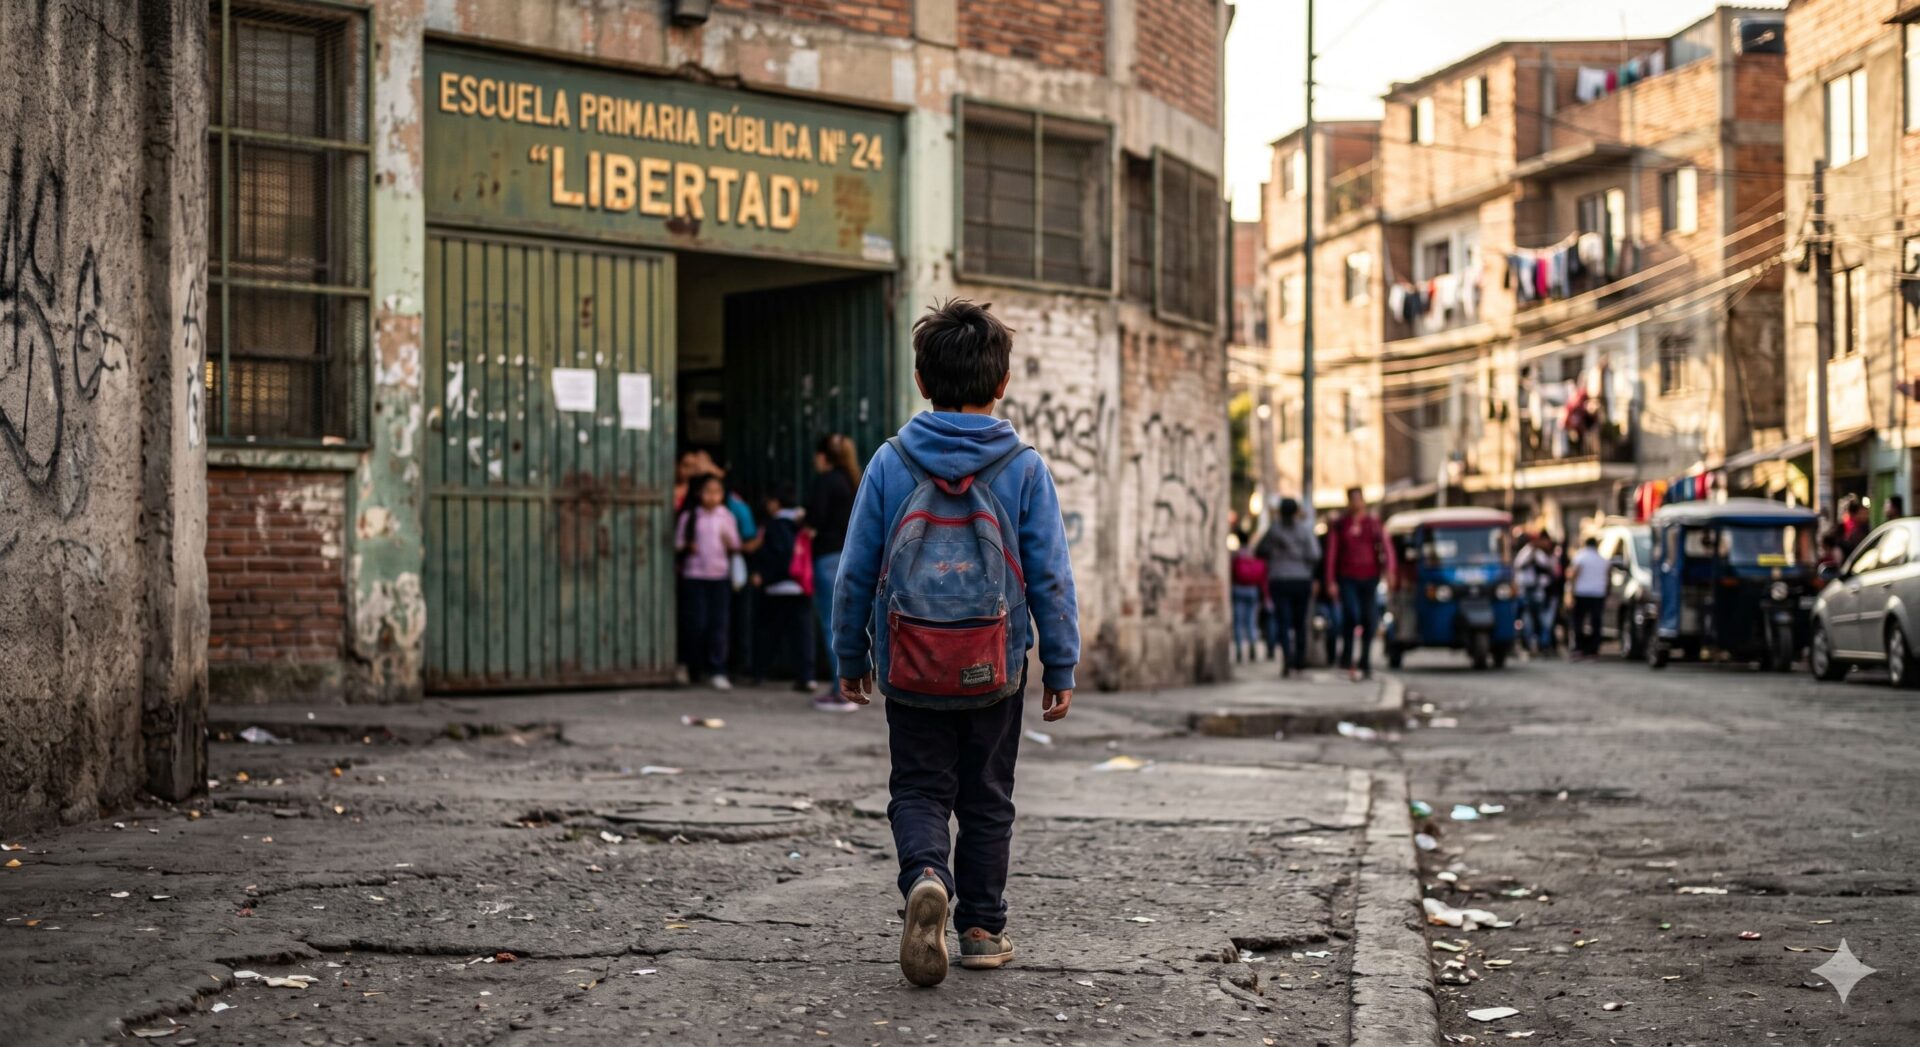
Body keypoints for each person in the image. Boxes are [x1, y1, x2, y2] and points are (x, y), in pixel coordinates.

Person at [831, 298, 1079, 987]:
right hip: (993, 665)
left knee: (918, 786)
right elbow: (1052, 573)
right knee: (988, 795)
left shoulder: (889, 461)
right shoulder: (1023, 466)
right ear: (1001, 383)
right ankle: (980, 927)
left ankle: (926, 876)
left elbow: (855, 570)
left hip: (910, 664)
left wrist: (851, 657)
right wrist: (1060, 660)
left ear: (920, 379)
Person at [806, 433, 861, 712]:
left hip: (827, 557)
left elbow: (813, 521)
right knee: (846, 623)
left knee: (831, 625)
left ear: (823, 456)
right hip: (849, 558)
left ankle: (843, 692)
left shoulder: (826, 482)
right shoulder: (853, 481)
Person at [676, 473, 741, 690]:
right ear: (699, 494)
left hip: (719, 577)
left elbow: (735, 544)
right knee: (695, 623)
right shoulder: (690, 517)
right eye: (708, 492)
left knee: (718, 625)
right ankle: (691, 667)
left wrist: (728, 541)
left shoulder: (726, 517)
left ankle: (717, 670)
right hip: (694, 576)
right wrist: (687, 545)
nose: (712, 497)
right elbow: (677, 544)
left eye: (717, 493)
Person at [750, 482, 815, 692]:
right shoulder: (801, 524)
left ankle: (759, 672)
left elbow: (780, 556)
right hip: (800, 587)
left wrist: (764, 575)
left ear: (775, 503)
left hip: (778, 588)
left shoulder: (775, 525)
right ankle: (806, 676)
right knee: (802, 635)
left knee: (769, 633)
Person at [1324, 486, 1391, 681]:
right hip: (1347, 576)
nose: (1356, 503)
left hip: (1369, 576)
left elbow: (1385, 547)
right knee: (1351, 614)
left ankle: (1365, 659)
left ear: (1363, 501)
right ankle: (1347, 655)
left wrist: (1389, 570)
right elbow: (1332, 553)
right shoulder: (1341, 525)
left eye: (1358, 499)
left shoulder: (1373, 523)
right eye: (1352, 499)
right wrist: (1330, 580)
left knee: (1369, 619)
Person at [1256, 497, 1319, 677]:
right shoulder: (1304, 530)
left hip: (1280, 579)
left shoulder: (1274, 530)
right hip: (1300, 579)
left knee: (1283, 622)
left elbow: (1259, 550)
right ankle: (1299, 662)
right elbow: (1314, 554)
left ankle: (1287, 661)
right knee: (1300, 623)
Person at [1513, 532, 1559, 656]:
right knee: (1529, 621)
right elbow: (1519, 568)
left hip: (1539, 592)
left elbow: (1549, 570)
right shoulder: (1528, 552)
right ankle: (1530, 645)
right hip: (1528, 592)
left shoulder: (1540, 554)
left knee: (1541, 621)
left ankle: (1541, 645)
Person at [1568, 535, 1610, 659]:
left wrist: (1570, 591)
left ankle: (1579, 648)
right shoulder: (1603, 560)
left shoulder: (1580, 557)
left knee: (1578, 621)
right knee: (1596, 622)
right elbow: (1608, 578)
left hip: (1582, 593)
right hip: (1598, 594)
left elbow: (1573, 575)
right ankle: (1593, 650)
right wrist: (1607, 593)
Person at [1230, 533, 1267, 663]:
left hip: (1239, 589)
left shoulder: (1236, 555)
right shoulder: (1253, 553)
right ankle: (1252, 645)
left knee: (1238, 622)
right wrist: (1265, 595)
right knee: (1251, 621)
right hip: (1252, 590)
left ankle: (1239, 649)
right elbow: (1262, 576)